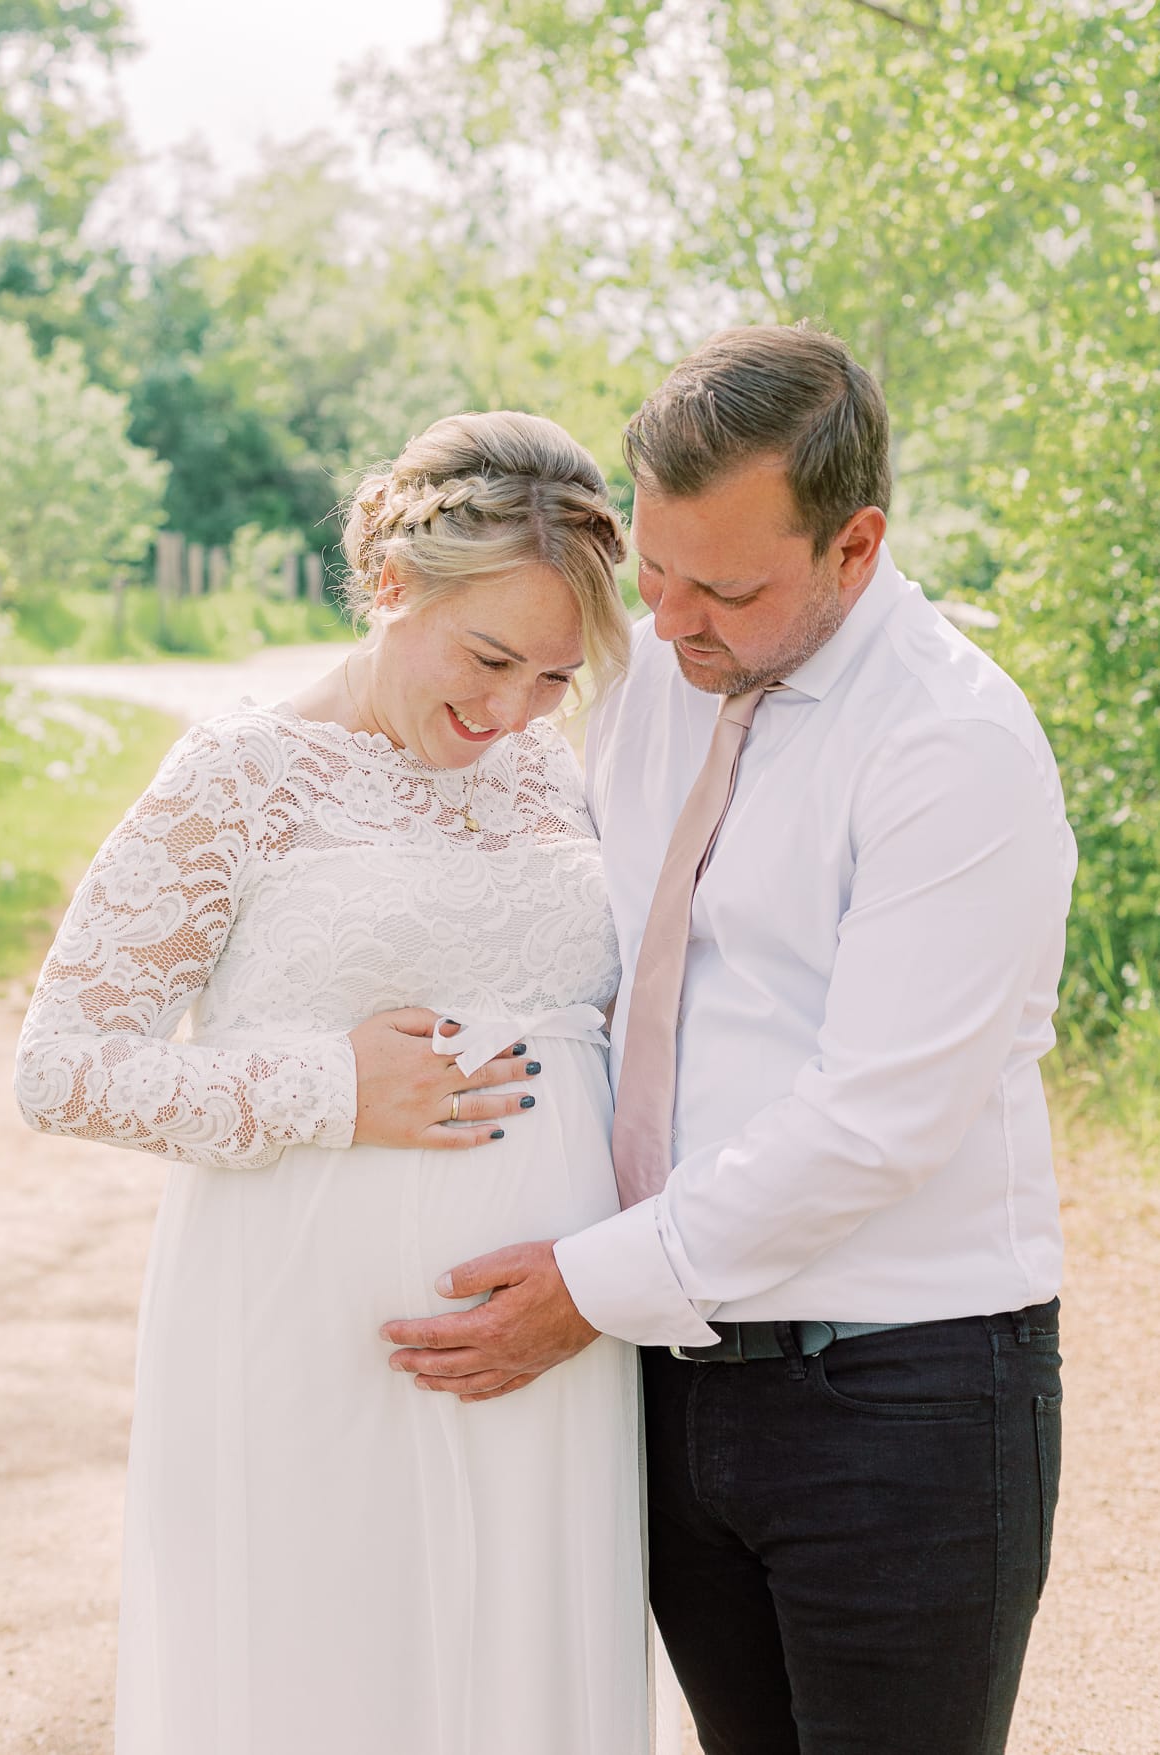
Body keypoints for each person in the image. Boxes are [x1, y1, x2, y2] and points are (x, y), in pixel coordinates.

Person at [383, 325, 1078, 1755]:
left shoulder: (952, 748)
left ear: (855, 544)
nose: (674, 618)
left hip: (899, 1400)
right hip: (668, 1389)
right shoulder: (650, 687)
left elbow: (874, 1120)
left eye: (729, 586)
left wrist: (586, 1285)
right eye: (656, 568)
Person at [14, 412, 654, 1755]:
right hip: (306, 1332)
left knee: (519, 1678)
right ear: (386, 587)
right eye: (487, 658)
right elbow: (63, 1063)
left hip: (544, 1355)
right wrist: (325, 1089)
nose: (509, 711)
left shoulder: (554, 773)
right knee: (322, 1680)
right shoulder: (242, 775)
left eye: (551, 675)